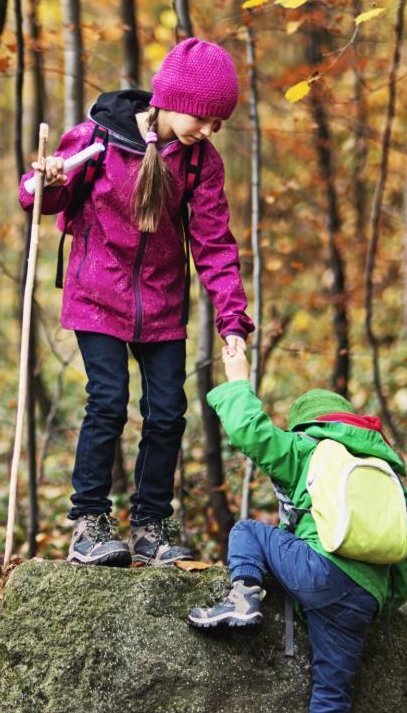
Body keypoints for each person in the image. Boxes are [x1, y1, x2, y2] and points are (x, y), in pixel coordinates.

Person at [189, 338, 407, 713]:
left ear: (309, 424)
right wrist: (382, 605)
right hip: (362, 599)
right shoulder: (389, 474)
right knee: (332, 694)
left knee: (250, 529)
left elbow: (251, 433)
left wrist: (236, 380)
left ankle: (244, 597)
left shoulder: (311, 450)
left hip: (319, 571)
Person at [20, 37, 253, 568]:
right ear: (171, 98)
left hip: (163, 303)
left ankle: (151, 523)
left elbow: (215, 244)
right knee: (107, 401)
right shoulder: (98, 138)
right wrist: (47, 179)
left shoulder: (200, 164)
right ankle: (89, 522)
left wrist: (232, 321)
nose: (208, 130)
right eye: (204, 117)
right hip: (97, 294)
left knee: (168, 412)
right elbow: (37, 197)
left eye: (218, 123)